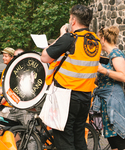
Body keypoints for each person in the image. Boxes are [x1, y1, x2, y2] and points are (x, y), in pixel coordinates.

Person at [40, 4, 101, 150]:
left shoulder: (69, 38)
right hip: (86, 96)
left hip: (66, 97)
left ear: (73, 21)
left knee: (64, 139)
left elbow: (45, 57)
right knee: (78, 137)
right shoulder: (95, 41)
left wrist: (61, 36)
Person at [93, 26, 125, 150]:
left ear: (102, 39)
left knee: (119, 139)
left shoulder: (116, 54)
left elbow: (123, 76)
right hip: (107, 101)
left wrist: (103, 70)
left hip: (114, 101)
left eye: (98, 38)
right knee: (113, 141)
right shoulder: (108, 55)